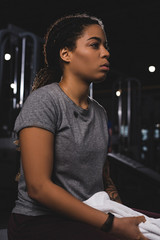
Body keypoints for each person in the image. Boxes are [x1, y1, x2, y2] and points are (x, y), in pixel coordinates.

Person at [8, 13, 148, 240]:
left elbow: (105, 180)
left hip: (91, 214)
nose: (106, 53)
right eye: (95, 45)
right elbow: (38, 188)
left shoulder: (99, 112)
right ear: (66, 54)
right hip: (37, 222)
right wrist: (112, 225)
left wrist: (123, 216)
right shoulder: (45, 101)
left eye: (105, 46)